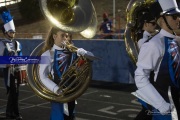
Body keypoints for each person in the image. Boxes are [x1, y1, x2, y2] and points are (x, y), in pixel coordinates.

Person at [133, 0, 180, 120]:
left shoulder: (174, 40)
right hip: (164, 106)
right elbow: (140, 76)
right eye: (174, 17)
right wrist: (161, 104)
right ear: (162, 20)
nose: (178, 20)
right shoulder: (154, 44)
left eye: (178, 15)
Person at [39, 26, 94, 120]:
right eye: (62, 35)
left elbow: (92, 57)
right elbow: (42, 76)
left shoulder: (72, 52)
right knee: (58, 117)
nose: (65, 38)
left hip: (71, 94)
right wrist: (57, 89)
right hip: (58, 95)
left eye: (67, 36)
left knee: (71, 116)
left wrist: (83, 52)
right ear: (54, 36)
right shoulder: (46, 54)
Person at [0, 7, 23, 120]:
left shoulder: (17, 43)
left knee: (16, 93)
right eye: (11, 31)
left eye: (14, 31)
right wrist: (6, 64)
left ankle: (11, 113)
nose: (13, 33)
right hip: (9, 72)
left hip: (17, 71)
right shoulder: (2, 44)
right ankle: (14, 114)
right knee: (13, 93)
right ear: (5, 32)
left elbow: (21, 56)